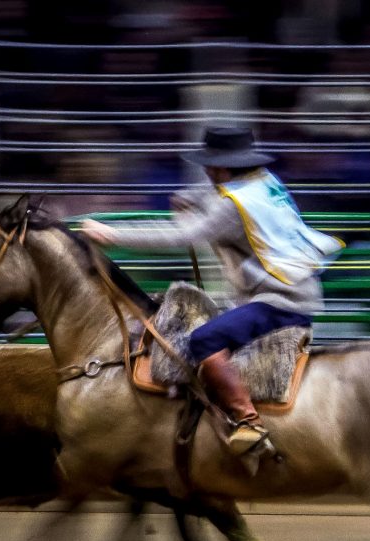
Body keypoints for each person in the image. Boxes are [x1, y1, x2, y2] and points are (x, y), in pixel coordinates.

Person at [82, 126, 342, 476]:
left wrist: (113, 235)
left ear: (222, 167)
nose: (207, 172)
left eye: (210, 165)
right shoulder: (262, 182)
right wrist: (192, 199)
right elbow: (210, 196)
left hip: (279, 300)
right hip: (294, 289)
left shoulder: (231, 207)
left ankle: (248, 423)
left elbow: (184, 234)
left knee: (203, 339)